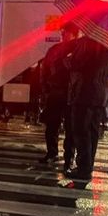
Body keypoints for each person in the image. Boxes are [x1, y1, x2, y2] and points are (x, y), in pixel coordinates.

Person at [65, 36, 108, 181]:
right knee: (92, 134)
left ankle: (83, 169)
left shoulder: (89, 46)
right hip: (99, 97)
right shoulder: (107, 50)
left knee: (81, 133)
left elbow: (76, 65)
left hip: (84, 94)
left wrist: (70, 59)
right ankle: (87, 166)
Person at [38, 23, 79, 166]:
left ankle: (69, 157)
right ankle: (52, 152)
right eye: (63, 32)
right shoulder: (55, 50)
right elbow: (45, 69)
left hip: (71, 94)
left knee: (71, 127)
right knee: (52, 125)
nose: (63, 35)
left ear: (74, 34)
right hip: (56, 92)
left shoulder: (78, 50)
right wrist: (45, 88)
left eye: (66, 32)